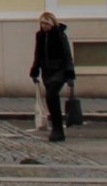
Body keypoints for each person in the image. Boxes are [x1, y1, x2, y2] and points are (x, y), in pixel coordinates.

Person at [30, 10, 76, 143]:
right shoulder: (40, 36)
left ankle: (57, 129)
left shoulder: (60, 35)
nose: (43, 26)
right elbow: (37, 54)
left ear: (51, 23)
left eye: (46, 23)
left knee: (51, 95)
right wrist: (35, 70)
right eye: (42, 23)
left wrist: (69, 75)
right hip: (46, 71)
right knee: (51, 100)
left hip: (59, 70)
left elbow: (67, 55)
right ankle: (56, 129)